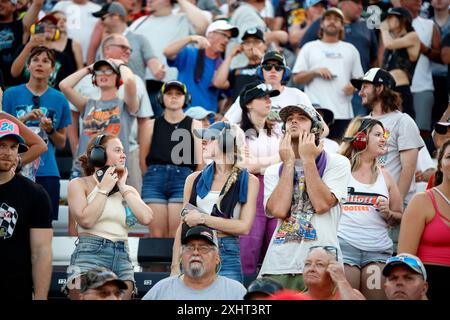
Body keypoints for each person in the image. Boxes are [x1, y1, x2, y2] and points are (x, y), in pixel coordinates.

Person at [258, 103, 351, 291]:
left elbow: (322, 203)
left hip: (322, 264)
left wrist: (308, 159)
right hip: (278, 265)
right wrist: (290, 161)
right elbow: (278, 210)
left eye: (302, 118)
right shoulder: (273, 171)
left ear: (315, 128)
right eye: (289, 118)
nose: (293, 120)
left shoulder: (338, 162)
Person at [170, 121, 259, 283]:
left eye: (210, 138)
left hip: (227, 251)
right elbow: (183, 225)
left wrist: (203, 219)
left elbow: (244, 227)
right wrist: (175, 266)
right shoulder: (193, 179)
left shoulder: (249, 180)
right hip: (194, 248)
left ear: (226, 142)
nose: (203, 142)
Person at [67, 134, 153, 300]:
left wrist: (122, 186)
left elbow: (147, 218)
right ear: (98, 155)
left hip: (122, 255)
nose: (124, 154)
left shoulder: (128, 190)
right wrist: (103, 190)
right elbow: (86, 220)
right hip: (89, 253)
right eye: (117, 150)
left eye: (123, 150)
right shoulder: (79, 184)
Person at [351, 67, 424, 252]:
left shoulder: (403, 121)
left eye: (365, 86)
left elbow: (408, 168)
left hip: (395, 206)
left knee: (392, 257)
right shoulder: (362, 123)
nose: (360, 92)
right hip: (366, 203)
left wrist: (394, 209)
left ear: (380, 88)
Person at [3, 46, 72, 220]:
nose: (40, 64)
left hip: (47, 169)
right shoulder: (11, 94)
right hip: (14, 169)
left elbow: (62, 142)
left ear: (53, 68)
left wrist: (50, 129)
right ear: (28, 66)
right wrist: (24, 119)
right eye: (35, 60)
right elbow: (2, 128)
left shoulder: (60, 98)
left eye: (45, 61)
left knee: (44, 223)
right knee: (14, 222)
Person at [338, 117, 403, 299]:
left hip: (377, 250)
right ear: (360, 138)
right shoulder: (339, 170)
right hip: (345, 246)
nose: (383, 139)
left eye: (384, 135)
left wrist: (388, 213)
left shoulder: (386, 176)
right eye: (377, 135)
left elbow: (400, 216)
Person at [140, 80, 203, 238]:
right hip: (155, 178)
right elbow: (143, 160)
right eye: (169, 93)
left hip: (183, 178)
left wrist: (191, 184)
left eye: (178, 94)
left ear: (186, 98)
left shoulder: (195, 124)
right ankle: (159, 265)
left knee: (176, 234)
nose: (173, 97)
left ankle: (174, 264)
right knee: (157, 235)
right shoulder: (150, 125)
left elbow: (200, 162)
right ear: (161, 98)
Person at [0, 118, 53, 300]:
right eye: (2, 145)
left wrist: (40, 297)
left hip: (15, 291)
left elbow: (41, 253)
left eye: (13, 147)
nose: (8, 152)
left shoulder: (35, 194)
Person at [293, 7, 364, 141]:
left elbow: (360, 80)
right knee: (313, 152)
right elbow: (296, 78)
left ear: (342, 25)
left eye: (337, 19)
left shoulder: (351, 49)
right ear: (321, 24)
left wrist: (353, 86)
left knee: (340, 153)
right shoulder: (309, 47)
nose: (332, 22)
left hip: (343, 112)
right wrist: (315, 71)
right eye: (328, 19)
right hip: (315, 113)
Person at [59, 58, 138, 178]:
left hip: (114, 171)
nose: (103, 74)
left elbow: (130, 81)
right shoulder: (87, 104)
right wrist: (88, 69)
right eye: (99, 71)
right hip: (84, 170)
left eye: (109, 71)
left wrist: (120, 65)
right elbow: (64, 86)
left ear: (118, 76)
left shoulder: (126, 104)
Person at [129, 0, 209, 117]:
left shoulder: (183, 19)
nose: (148, 1)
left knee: (165, 131)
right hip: (141, 87)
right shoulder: (139, 22)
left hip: (170, 88)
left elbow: (203, 25)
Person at [238, 81, 283, 275]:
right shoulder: (237, 131)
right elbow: (243, 165)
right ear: (248, 104)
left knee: (275, 251)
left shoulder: (279, 131)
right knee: (248, 250)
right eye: (262, 97)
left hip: (278, 191)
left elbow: (287, 158)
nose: (268, 101)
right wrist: (275, 161)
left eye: (269, 98)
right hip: (251, 192)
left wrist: (259, 164)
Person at [398, 138, 450, 301]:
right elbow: (404, 260)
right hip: (427, 287)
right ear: (440, 164)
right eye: (449, 157)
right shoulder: (422, 201)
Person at [143, 225, 247, 300]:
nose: (196, 252)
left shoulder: (235, 292)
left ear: (217, 258)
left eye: (203, 248)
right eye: (190, 248)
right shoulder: (162, 289)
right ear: (181, 256)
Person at [163, 19, 239, 113]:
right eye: (224, 35)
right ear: (210, 34)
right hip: (183, 116)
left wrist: (222, 115)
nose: (227, 40)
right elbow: (167, 52)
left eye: (229, 38)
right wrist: (191, 38)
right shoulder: (190, 53)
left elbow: (229, 96)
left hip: (207, 121)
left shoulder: (224, 67)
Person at [224, 50, 313, 124]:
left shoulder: (298, 95)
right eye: (268, 67)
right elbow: (225, 123)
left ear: (284, 72)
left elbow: (322, 127)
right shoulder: (249, 95)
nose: (273, 70)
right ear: (261, 71)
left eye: (278, 67)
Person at [10, 13, 77, 90]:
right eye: (44, 24)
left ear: (56, 32)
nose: (48, 27)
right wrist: (29, 46)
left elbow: (68, 85)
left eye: (52, 26)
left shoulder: (64, 57)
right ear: (36, 28)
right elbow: (14, 73)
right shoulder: (24, 48)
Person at [380, 7, 420, 119]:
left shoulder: (413, 36)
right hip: (387, 90)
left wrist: (384, 30)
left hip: (400, 89)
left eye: (391, 17)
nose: (387, 21)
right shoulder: (392, 40)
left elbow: (389, 44)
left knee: (403, 127)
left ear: (402, 19)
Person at [213, 27, 267, 102]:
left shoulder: (270, 67)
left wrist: (262, 57)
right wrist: (230, 56)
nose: (251, 45)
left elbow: (280, 79)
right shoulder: (237, 71)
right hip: (240, 112)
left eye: (256, 42)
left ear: (265, 46)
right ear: (242, 47)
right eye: (247, 42)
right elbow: (218, 83)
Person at [0, 0, 43, 87]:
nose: (0, 4)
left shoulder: (22, 25)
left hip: (16, 83)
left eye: (4, 1)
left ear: (14, 6)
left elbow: (38, 3)